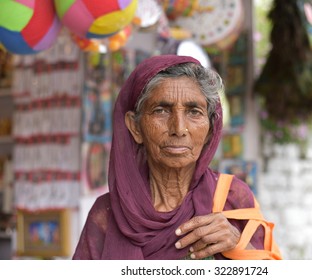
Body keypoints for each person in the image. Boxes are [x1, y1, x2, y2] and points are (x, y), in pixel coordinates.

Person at [73, 54, 281, 260]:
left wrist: (238, 245)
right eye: (161, 111)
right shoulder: (107, 215)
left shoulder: (233, 198)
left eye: (194, 112)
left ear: (210, 129)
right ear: (135, 127)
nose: (179, 129)